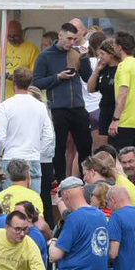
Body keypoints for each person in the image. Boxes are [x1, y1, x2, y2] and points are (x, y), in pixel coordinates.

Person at [33, 23, 93, 185]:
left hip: (79, 107)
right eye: (68, 38)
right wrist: (57, 77)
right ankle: (60, 181)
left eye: (74, 39)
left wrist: (85, 59)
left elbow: (88, 78)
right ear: (60, 36)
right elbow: (36, 82)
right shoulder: (45, 56)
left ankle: (84, 180)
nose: (71, 42)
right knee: (59, 147)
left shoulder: (76, 53)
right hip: (58, 108)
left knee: (85, 146)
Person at [0, 70, 53, 169]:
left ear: (13, 83)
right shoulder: (40, 105)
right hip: (32, 158)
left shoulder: (5, 105)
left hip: (11, 156)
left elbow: (0, 138)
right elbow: (48, 135)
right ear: (30, 83)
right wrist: (38, 152)